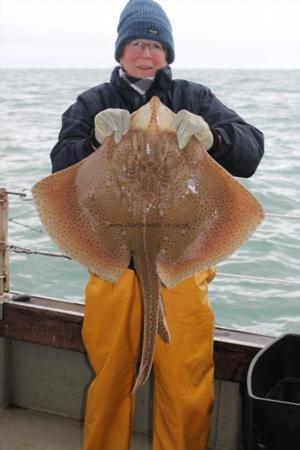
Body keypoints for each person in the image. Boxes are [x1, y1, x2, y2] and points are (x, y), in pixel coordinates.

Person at [50, 1, 264, 449]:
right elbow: (60, 167)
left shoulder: (194, 98)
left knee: (186, 378)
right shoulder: (95, 102)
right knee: (110, 376)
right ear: (120, 50)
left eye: (153, 44)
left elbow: (250, 153)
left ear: (167, 52)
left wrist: (215, 136)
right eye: (135, 43)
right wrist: (91, 138)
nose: (144, 53)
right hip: (112, 263)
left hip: (182, 264)